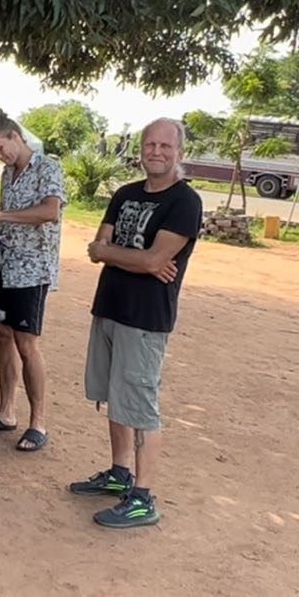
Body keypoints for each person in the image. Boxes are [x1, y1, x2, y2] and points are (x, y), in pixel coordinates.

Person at [69, 117, 202, 528]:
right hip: (110, 307)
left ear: (179, 152)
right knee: (115, 396)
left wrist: (129, 257)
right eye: (150, 144)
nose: (156, 152)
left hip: (146, 319)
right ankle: (119, 474)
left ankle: (143, 498)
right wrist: (135, 259)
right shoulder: (125, 194)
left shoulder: (185, 201)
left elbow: (153, 260)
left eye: (165, 146)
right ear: (140, 148)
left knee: (141, 406)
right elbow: (96, 248)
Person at [0, 109, 67, 452]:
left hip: (33, 269)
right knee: (3, 335)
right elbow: (6, 217)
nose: (0, 155)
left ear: (16, 136)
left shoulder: (48, 167)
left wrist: (3, 216)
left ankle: (38, 422)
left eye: (1, 147)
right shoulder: (6, 174)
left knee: (27, 344)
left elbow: (49, 211)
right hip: (5, 267)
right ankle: (6, 411)